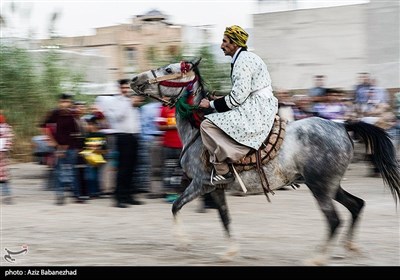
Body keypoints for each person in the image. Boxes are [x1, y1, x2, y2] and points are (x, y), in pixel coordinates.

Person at [198, 25, 278, 185]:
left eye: (225, 41)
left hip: (257, 108)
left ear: (234, 44)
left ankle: (223, 169)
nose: (221, 46)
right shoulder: (246, 58)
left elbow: (236, 99)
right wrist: (219, 98)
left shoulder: (242, 61)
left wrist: (211, 104)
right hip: (260, 103)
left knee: (207, 124)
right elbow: (242, 93)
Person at [96, 79, 143, 208]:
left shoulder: (130, 101)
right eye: (123, 88)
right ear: (119, 88)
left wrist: (132, 104)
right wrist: (129, 104)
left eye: (127, 88)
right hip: (122, 136)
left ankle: (128, 195)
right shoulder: (115, 101)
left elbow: (134, 120)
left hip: (134, 136)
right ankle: (119, 198)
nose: (126, 90)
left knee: (133, 168)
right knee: (123, 168)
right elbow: (117, 117)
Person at [0, 113, 14, 204]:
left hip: (1, 152)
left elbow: (7, 140)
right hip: (3, 153)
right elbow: (9, 140)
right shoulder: (7, 127)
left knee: (2, 175)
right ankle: (7, 195)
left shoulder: (4, 128)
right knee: (3, 175)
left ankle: (7, 195)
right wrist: (6, 149)